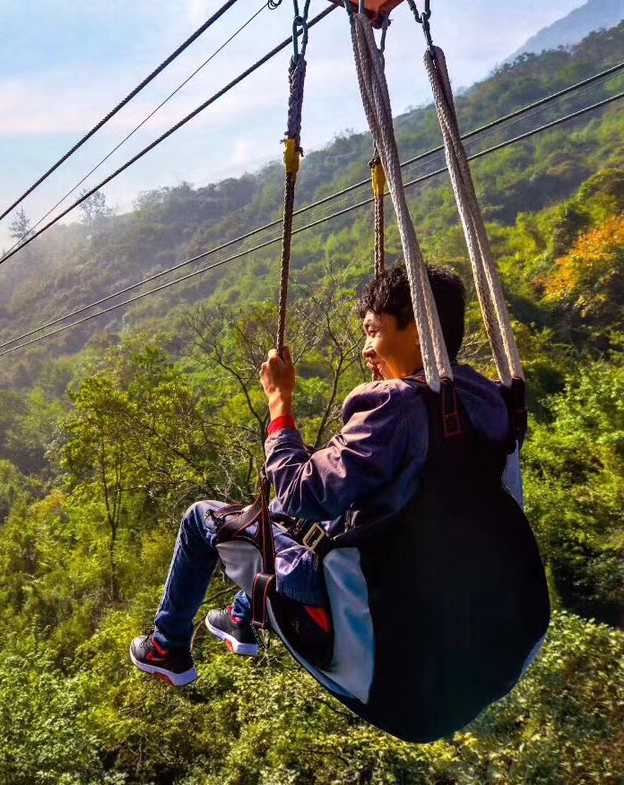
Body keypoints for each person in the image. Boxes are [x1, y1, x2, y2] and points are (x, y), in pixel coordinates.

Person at [130, 263, 516, 686]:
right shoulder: (490, 400)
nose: (366, 348)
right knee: (278, 511)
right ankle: (243, 615)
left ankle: (168, 648)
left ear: (419, 330)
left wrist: (280, 403)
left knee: (204, 517)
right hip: (430, 582)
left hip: (356, 596)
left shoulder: (399, 405)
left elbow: (300, 491)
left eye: (374, 331)